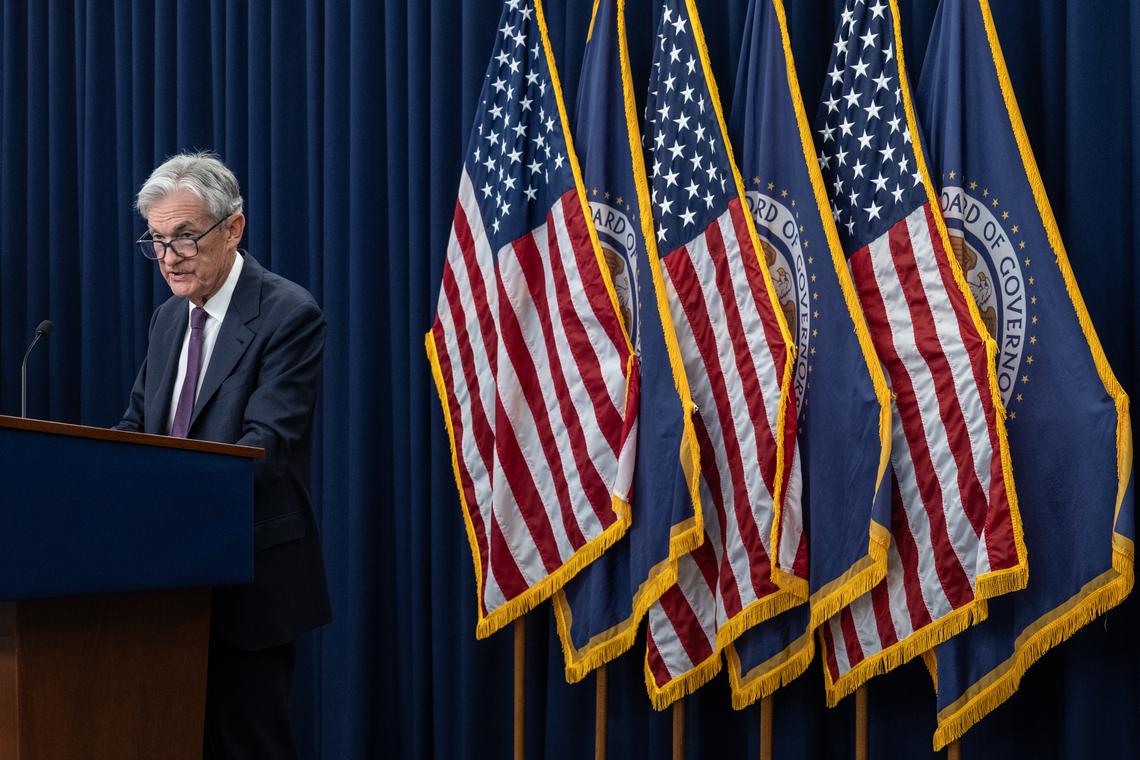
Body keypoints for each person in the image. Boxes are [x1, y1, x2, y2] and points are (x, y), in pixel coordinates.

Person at [115, 151, 331, 759]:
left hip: (247, 581)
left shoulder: (288, 314)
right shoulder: (167, 320)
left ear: (233, 228)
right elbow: (137, 427)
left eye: (184, 236)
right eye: (156, 241)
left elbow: (265, 447)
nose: (169, 257)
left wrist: (166, 489)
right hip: (165, 583)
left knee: (247, 745)